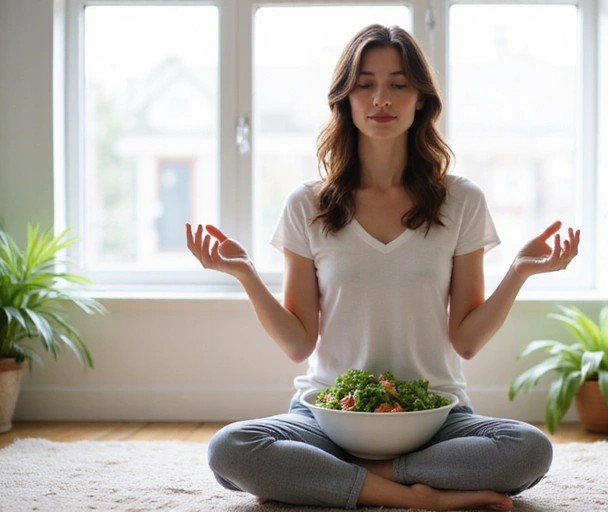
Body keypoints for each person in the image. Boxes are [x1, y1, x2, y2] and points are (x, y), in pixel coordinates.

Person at [186, 23, 580, 511]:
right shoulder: (307, 204)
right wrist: (245, 273)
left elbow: (467, 341)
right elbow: (297, 344)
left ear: (421, 100)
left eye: (398, 84)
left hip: (437, 419)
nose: (382, 98)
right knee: (231, 449)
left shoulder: (462, 200)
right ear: (345, 99)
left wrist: (518, 272)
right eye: (365, 83)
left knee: (529, 450)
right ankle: (422, 498)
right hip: (328, 419)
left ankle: (338, 481)